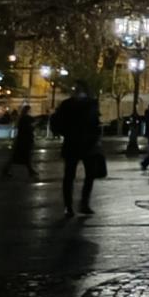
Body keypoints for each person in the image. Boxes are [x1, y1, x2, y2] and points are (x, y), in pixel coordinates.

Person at [48, 84, 106, 216]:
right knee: (89, 176)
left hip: (72, 143)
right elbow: (96, 123)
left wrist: (65, 133)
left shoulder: (67, 104)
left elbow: (56, 121)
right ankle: (84, 204)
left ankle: (69, 206)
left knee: (69, 177)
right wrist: (95, 138)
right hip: (88, 144)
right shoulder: (91, 104)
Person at [2, 111, 38, 177]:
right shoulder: (26, 127)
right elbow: (29, 133)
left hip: (21, 144)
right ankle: (6, 170)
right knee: (21, 158)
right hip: (23, 144)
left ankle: (30, 170)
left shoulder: (23, 125)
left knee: (22, 158)